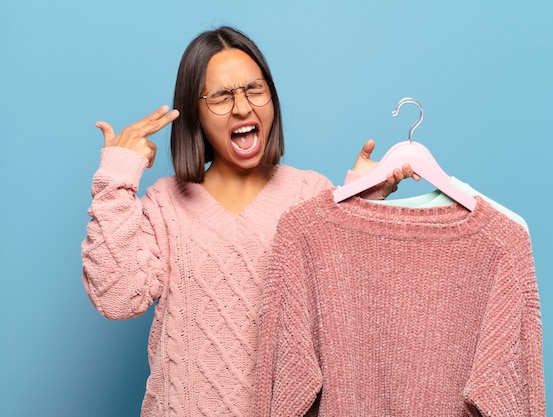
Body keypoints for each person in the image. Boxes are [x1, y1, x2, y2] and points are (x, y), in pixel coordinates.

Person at [82, 26, 414, 417]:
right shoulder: (164, 205)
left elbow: (352, 312)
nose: (242, 107)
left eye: (254, 90)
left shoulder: (310, 194)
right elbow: (117, 298)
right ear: (195, 113)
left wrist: (356, 202)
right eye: (221, 97)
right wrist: (117, 177)